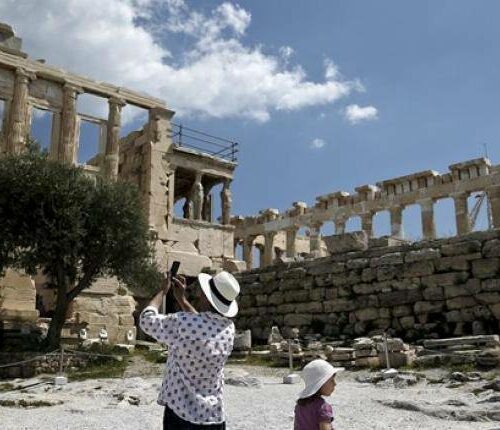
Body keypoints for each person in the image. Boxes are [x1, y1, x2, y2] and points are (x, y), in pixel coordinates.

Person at [139, 270, 240, 430]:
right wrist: (182, 299)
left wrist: (162, 292)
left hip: (181, 412)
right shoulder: (229, 329)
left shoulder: (182, 323)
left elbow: (146, 319)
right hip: (213, 415)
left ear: (206, 296)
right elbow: (201, 324)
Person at [294, 359, 343, 430]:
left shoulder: (299, 405)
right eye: (331, 380)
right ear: (321, 384)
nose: (335, 384)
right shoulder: (323, 408)